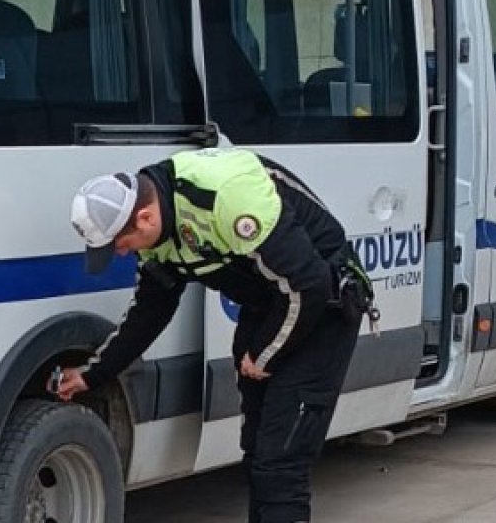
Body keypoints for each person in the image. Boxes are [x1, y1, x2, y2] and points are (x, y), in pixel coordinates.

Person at [56, 147, 375, 523]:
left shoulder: (225, 195)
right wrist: (93, 373)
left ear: (143, 217)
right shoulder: (156, 231)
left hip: (324, 308)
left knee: (280, 462)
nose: (123, 254)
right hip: (270, 306)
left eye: (121, 245)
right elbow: (149, 311)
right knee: (257, 452)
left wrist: (264, 355)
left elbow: (309, 286)